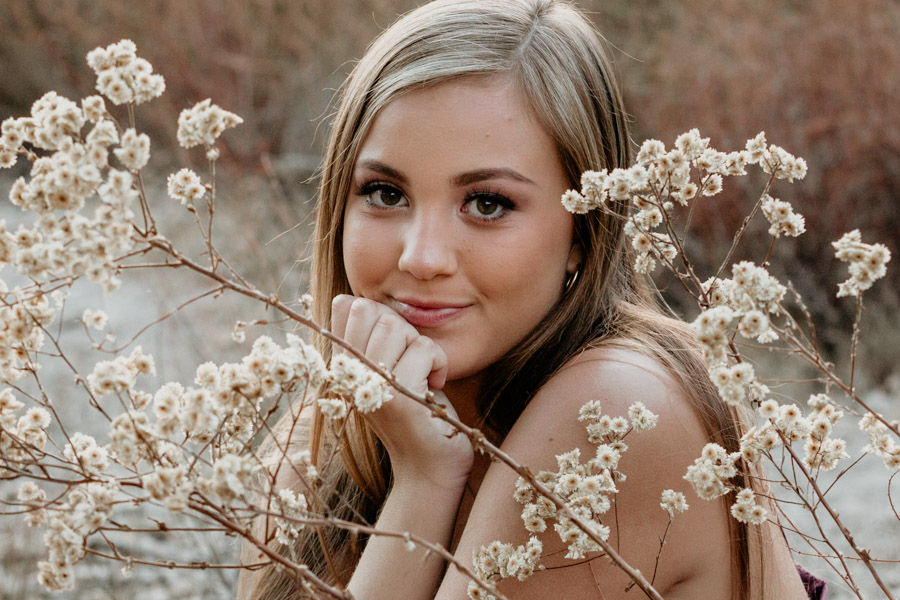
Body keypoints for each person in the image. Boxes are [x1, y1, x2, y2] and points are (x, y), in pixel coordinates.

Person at [238, 1, 817, 598]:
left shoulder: (618, 414)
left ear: (582, 231)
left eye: (487, 204)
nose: (421, 258)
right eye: (385, 193)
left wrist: (424, 482)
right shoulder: (320, 441)